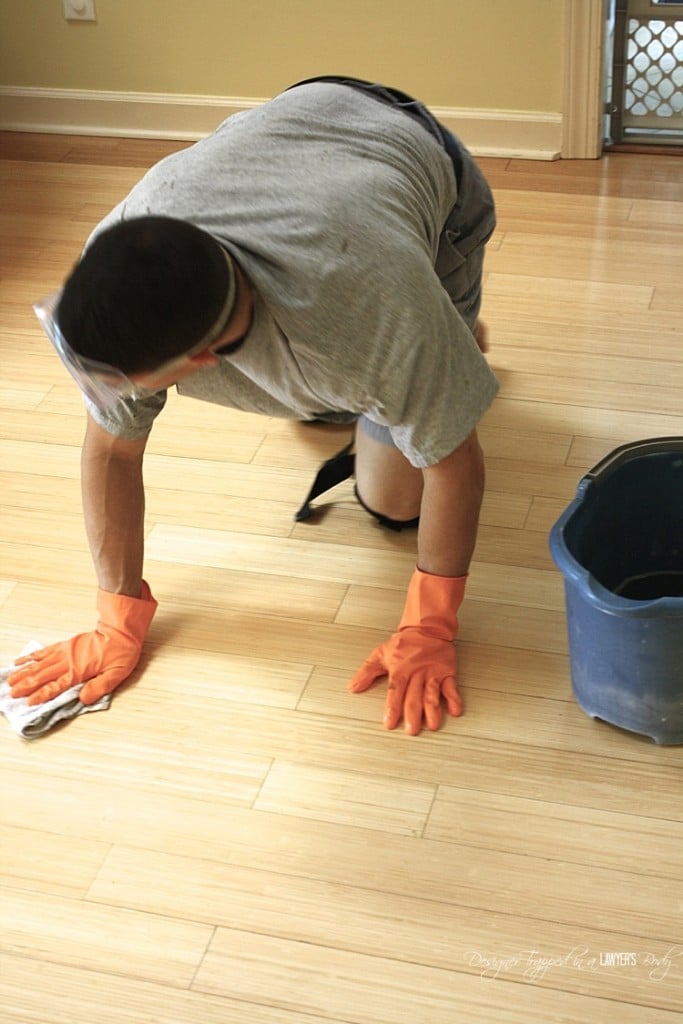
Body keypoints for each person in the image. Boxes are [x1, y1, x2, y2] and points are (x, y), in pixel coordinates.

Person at [8, 76, 499, 735]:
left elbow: (456, 465)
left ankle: (452, 351)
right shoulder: (111, 276)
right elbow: (111, 451)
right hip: (296, 125)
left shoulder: (371, 306)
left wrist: (429, 626)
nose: (110, 394)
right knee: (344, 387)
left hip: (420, 171)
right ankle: (416, 379)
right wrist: (116, 616)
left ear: (202, 363)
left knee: (395, 500)